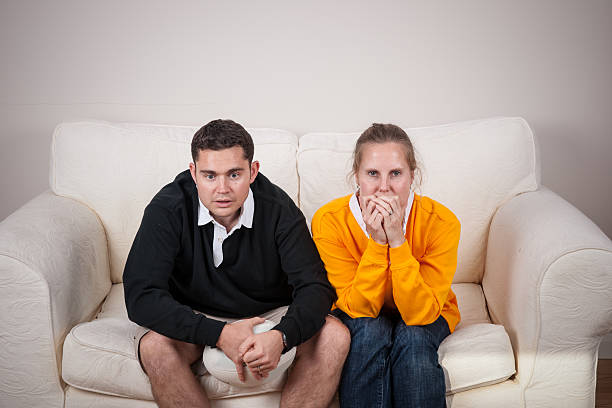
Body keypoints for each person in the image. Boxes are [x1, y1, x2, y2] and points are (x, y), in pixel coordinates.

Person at [123, 119, 350, 408]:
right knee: (155, 348)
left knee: (335, 336)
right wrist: (218, 334)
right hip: (195, 311)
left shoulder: (279, 209)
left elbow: (315, 288)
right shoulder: (168, 208)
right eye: (209, 175)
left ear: (253, 171)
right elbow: (141, 296)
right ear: (193, 173)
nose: (222, 189)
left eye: (234, 174)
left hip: (270, 314)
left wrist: (281, 337)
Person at [311, 123, 461, 408]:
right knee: (369, 332)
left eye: (396, 173)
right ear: (356, 175)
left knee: (414, 338)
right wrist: (377, 244)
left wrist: (397, 241)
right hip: (361, 310)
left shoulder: (442, 222)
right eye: (372, 174)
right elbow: (357, 308)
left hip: (425, 310)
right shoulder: (329, 221)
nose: (384, 187)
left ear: (412, 176)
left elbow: (420, 313)